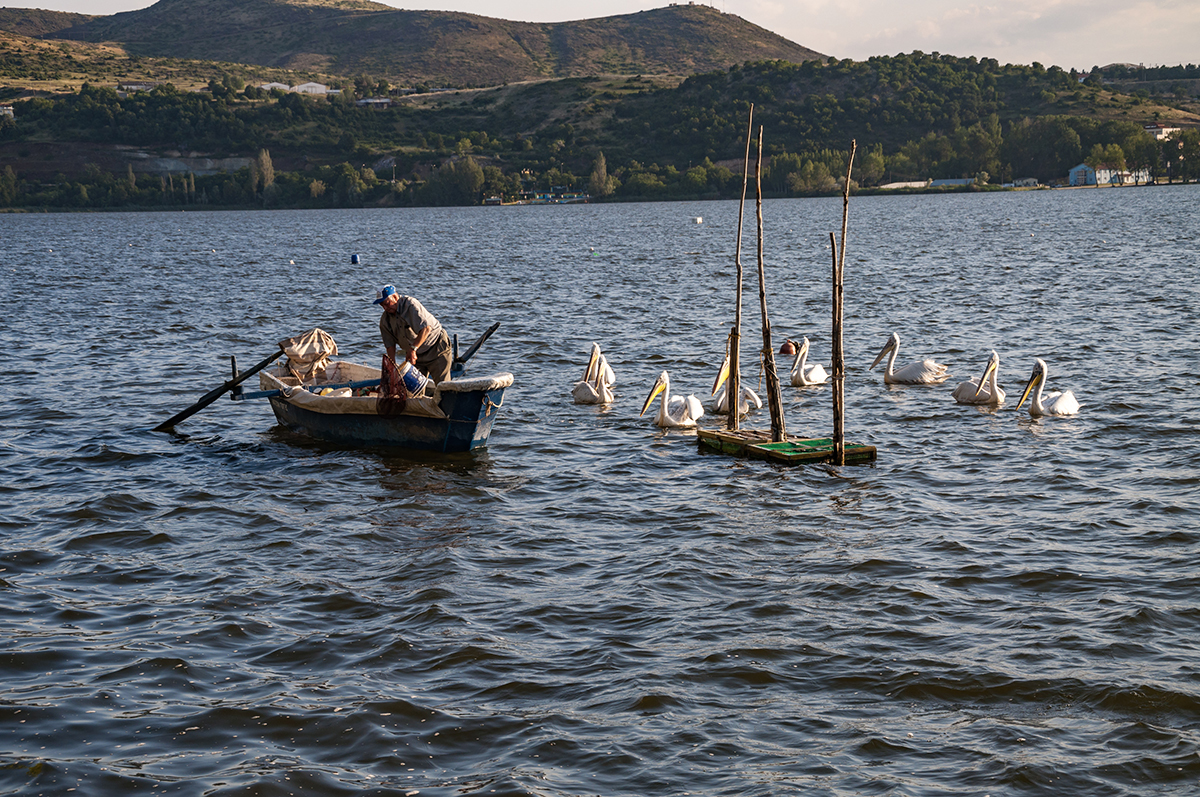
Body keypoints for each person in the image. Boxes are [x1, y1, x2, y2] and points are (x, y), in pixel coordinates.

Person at [373, 284, 453, 385]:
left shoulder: (410, 305)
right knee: (412, 389)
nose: (385, 308)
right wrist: (392, 368)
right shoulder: (385, 321)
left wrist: (413, 349)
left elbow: (426, 329)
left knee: (443, 386)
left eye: (387, 303)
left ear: (395, 297)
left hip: (436, 348)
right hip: (416, 356)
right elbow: (390, 346)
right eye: (382, 305)